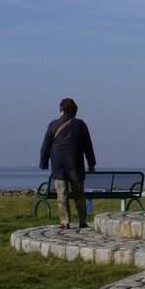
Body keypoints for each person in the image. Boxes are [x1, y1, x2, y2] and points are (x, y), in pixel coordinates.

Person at [39, 97, 96, 229]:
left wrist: (44, 163)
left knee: (62, 194)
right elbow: (88, 145)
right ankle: (82, 221)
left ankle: (65, 222)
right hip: (75, 163)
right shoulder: (80, 124)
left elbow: (45, 146)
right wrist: (91, 163)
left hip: (58, 164)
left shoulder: (53, 125)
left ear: (62, 110)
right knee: (79, 194)